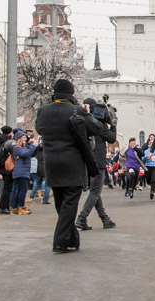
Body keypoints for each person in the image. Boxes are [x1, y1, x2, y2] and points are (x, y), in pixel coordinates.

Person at [35, 78, 97, 254]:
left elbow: (39, 129)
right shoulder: (76, 110)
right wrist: (88, 113)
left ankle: (72, 240)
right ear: (71, 94)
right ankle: (60, 241)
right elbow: (96, 128)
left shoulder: (43, 111)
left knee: (62, 203)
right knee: (69, 203)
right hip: (73, 164)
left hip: (52, 163)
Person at [74, 98, 115, 228]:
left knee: (95, 191)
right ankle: (82, 217)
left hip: (87, 161)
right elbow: (112, 138)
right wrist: (113, 124)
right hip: (98, 162)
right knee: (95, 192)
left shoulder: (83, 121)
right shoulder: (98, 124)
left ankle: (104, 218)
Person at [9, 130, 38, 214]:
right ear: (19, 138)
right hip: (20, 171)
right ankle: (20, 207)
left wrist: (35, 146)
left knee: (20, 190)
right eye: (24, 137)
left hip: (23, 171)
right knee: (22, 190)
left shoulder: (23, 147)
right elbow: (25, 154)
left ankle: (15, 207)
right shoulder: (16, 148)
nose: (25, 138)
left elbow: (31, 154)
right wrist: (33, 145)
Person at [0, 125, 14, 216]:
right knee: (7, 187)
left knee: (5, 186)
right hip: (8, 166)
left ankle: (4, 206)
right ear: (9, 132)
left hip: (2, 166)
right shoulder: (9, 142)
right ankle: (3, 207)